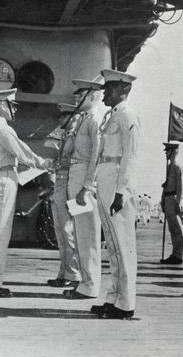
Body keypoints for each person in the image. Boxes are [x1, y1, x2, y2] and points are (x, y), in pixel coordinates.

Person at [0, 89, 53, 297]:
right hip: (3, 180)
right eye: (12, 104)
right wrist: (43, 162)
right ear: (1, 105)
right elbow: (22, 151)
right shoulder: (2, 128)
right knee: (0, 234)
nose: (15, 109)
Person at [90, 69, 140, 320]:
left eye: (109, 88)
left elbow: (130, 156)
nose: (105, 93)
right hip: (106, 180)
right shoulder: (113, 116)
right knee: (112, 244)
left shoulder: (128, 115)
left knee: (123, 245)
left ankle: (126, 302)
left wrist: (122, 191)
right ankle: (114, 298)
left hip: (117, 183)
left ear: (124, 89)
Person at [63, 79, 103, 299]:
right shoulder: (83, 120)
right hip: (75, 178)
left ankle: (90, 285)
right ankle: (85, 282)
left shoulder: (95, 120)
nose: (76, 99)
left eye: (81, 95)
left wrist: (87, 186)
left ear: (93, 97)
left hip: (83, 184)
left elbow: (96, 155)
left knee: (88, 236)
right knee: (80, 234)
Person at [46, 104, 81, 288]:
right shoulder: (65, 136)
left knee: (69, 231)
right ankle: (64, 272)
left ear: (72, 117)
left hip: (69, 185)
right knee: (60, 231)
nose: (60, 120)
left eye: (63, 116)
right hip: (59, 185)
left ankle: (74, 274)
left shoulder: (77, 138)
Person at [160, 143, 183, 265]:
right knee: (172, 229)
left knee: (178, 229)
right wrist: (162, 200)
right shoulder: (169, 167)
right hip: (168, 198)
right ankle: (175, 253)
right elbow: (165, 186)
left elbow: (181, 187)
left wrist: (179, 202)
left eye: (168, 151)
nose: (166, 153)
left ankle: (179, 255)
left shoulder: (177, 168)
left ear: (173, 152)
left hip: (174, 198)